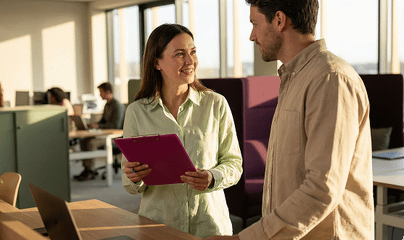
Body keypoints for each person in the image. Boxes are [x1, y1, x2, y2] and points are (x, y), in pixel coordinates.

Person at [205, 0, 373, 239]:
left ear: (279, 20)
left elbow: (321, 189)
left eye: (255, 23)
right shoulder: (294, 79)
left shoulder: (329, 79)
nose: (252, 36)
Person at [121, 23, 243, 238]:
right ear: (157, 62)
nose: (190, 61)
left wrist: (212, 177)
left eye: (193, 52)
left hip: (209, 225)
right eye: (179, 54)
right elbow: (130, 184)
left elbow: (234, 164)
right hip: (159, 226)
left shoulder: (216, 104)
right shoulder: (137, 112)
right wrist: (134, 176)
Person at [73, 82, 125, 181]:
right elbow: (103, 121)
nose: (100, 95)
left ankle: (91, 171)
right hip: (106, 134)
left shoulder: (117, 106)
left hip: (116, 137)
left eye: (101, 92)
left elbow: (115, 126)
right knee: (84, 141)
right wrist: (94, 125)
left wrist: (98, 126)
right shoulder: (107, 105)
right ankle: (87, 169)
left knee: (91, 143)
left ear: (108, 92)